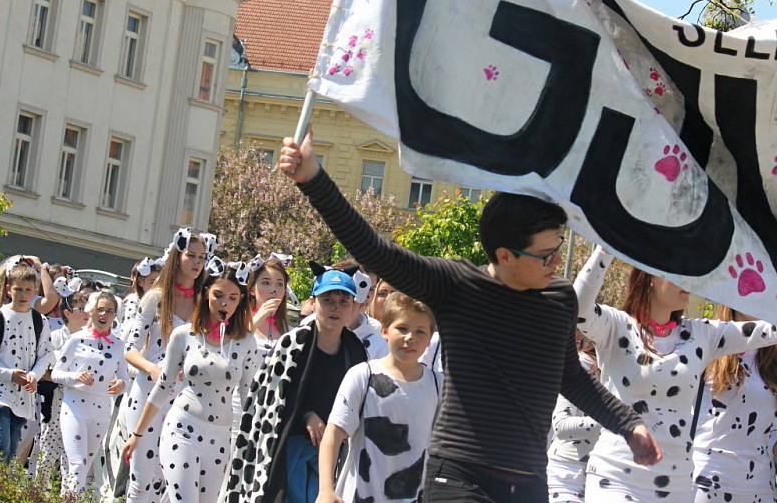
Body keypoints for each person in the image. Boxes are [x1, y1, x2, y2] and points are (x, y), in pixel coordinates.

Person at [222, 133, 661, 503]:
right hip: (459, 477)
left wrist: (629, 424)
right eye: (546, 255)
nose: (555, 262)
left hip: (528, 481)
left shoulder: (559, 299)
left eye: (558, 251)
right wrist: (313, 179)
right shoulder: (457, 285)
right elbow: (378, 251)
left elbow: (570, 375)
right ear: (505, 255)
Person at [575, 246, 777, 501]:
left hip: (677, 486)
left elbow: (768, 330)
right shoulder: (616, 326)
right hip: (615, 478)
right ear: (648, 275)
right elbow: (579, 306)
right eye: (680, 273)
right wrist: (606, 246)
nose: (689, 282)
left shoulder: (702, 334)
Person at [223, 268, 368, 503]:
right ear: (313, 303)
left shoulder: (357, 352)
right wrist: (305, 415)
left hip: (335, 458)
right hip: (285, 453)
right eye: (327, 300)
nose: (335, 307)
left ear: (354, 307)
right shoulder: (292, 344)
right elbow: (270, 403)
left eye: (343, 301)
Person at [122, 265, 260, 503]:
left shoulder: (246, 342)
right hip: (182, 430)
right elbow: (163, 386)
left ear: (241, 300)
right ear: (206, 293)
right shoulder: (184, 334)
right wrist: (137, 435)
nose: (224, 303)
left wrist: (254, 441)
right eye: (218, 295)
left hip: (220, 437)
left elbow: (249, 397)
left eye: (232, 297)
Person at [317, 292, 440, 503]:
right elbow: (333, 434)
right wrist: (326, 489)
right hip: (359, 496)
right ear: (384, 330)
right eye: (402, 328)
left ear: (430, 340)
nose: (410, 337)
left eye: (420, 331)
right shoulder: (362, 376)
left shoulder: (439, 385)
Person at [124, 229, 209, 503]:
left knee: (166, 480)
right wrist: (151, 368)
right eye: (191, 255)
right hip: (147, 393)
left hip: (182, 400)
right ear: (177, 255)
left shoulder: (202, 303)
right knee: (140, 480)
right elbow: (129, 350)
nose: (197, 263)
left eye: (202, 257)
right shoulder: (156, 297)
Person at [691, 304, 777, 503]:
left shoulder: (772, 358)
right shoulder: (705, 341)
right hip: (704, 483)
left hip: (760, 488)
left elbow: (771, 429)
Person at [51, 290, 127, 492]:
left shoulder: (119, 345)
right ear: (91, 311)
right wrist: (76, 377)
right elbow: (56, 374)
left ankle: (68, 496)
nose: (104, 315)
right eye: (100, 310)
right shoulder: (76, 339)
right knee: (76, 462)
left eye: (109, 311)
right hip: (74, 407)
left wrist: (120, 385)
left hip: (101, 410)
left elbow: (124, 378)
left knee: (85, 466)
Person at [0, 264, 52, 462]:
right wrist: (9, 374)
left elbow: (46, 354)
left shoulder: (40, 321)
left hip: (23, 396)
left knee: (11, 450)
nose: (23, 294)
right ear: (9, 289)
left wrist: (33, 375)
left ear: (35, 291)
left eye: (28, 290)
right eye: (18, 289)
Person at [35, 287, 90, 485]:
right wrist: (65, 375)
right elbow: (44, 368)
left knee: (73, 448)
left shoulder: (90, 339)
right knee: (49, 443)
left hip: (80, 400)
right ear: (67, 312)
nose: (86, 313)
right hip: (55, 398)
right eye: (81, 309)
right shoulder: (56, 336)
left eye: (87, 308)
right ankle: (39, 489)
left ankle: (68, 493)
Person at [546, 331, 601, 503]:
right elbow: (561, 426)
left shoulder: (615, 371)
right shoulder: (582, 366)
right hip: (568, 476)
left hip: (601, 477)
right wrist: (615, 422)